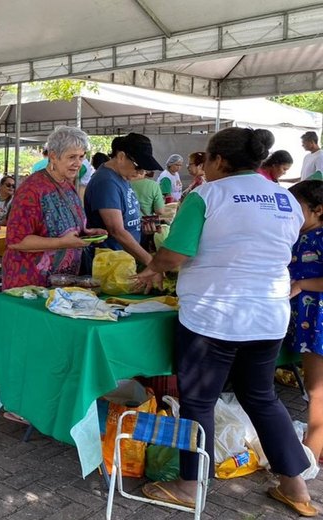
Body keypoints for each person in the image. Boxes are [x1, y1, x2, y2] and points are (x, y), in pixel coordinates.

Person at [135, 127, 315, 517]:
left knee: (198, 401)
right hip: (268, 316)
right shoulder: (285, 199)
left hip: (212, 317)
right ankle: (295, 487)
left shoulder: (207, 195)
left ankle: (189, 485)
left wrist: (152, 269)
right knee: (262, 398)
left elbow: (175, 254)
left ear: (217, 161)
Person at [2, 126, 104, 289]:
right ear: (53, 156)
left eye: (81, 157)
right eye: (72, 157)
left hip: (61, 284)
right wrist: (62, 242)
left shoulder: (66, 184)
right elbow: (17, 241)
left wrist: (86, 233)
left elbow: (65, 224)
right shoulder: (32, 189)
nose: (78, 163)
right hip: (31, 284)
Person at [286, 180, 323, 471]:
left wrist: (301, 284)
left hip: (318, 322)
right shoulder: (299, 236)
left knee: (317, 391)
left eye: (295, 209)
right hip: (308, 320)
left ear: (318, 210)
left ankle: (309, 454)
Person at [84, 133, 161, 266]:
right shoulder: (106, 182)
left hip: (122, 260)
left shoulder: (122, 177)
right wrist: (151, 262)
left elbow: (125, 218)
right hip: (110, 263)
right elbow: (116, 230)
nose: (141, 172)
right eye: (138, 166)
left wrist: (141, 225)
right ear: (121, 157)